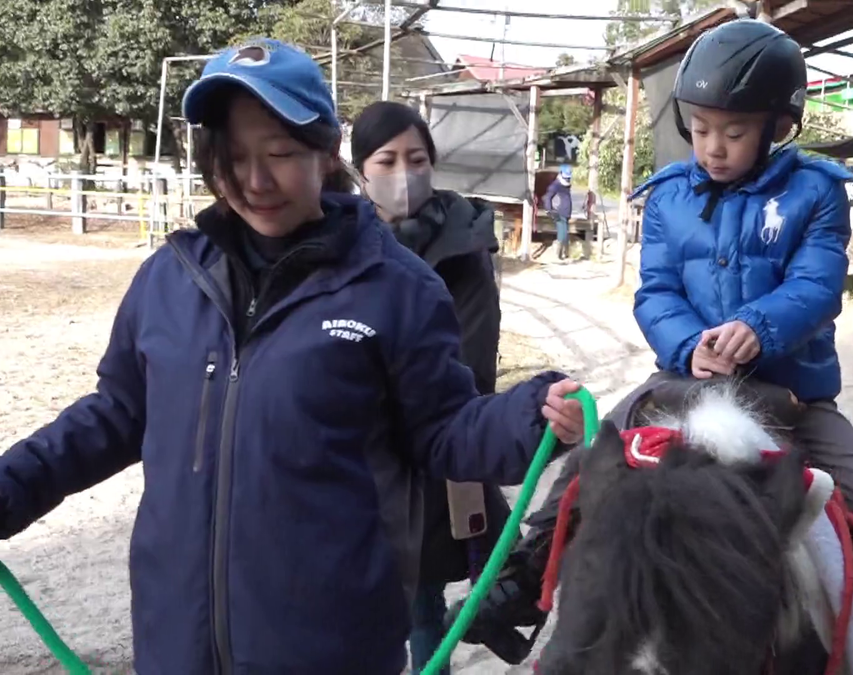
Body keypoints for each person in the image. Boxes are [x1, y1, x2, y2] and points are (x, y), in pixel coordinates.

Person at [0, 39, 586, 675]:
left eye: (280, 154)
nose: (255, 181)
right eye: (234, 159)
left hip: (330, 648)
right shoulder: (167, 280)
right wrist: (10, 489)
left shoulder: (396, 287)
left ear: (325, 153)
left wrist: (532, 414)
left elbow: (443, 430)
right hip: (177, 644)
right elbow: (114, 414)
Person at [452, 19, 853, 674]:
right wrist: (687, 343)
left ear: (776, 126)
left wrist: (758, 326)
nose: (713, 147)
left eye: (732, 132)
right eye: (700, 130)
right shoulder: (669, 196)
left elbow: (817, 285)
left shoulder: (815, 192)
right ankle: (525, 584)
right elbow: (656, 291)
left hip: (793, 392)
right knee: (588, 462)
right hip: (680, 380)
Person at [351, 100, 510, 675]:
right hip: (348, 464)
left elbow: (468, 367)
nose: (402, 174)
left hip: (436, 463)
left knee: (420, 608)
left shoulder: (466, 245)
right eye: (386, 159)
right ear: (359, 171)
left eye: (416, 158)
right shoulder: (334, 240)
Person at [542, 164, 573, 260]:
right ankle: (558, 255)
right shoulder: (556, 185)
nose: (567, 179)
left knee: (565, 233)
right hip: (559, 211)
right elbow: (547, 197)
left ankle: (565, 253)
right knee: (562, 234)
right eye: (566, 177)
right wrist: (549, 210)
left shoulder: (566, 184)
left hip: (567, 212)